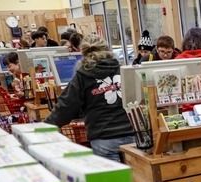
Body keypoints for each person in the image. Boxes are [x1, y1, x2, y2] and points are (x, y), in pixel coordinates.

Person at [45, 34, 134, 162]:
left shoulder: (82, 76)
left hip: (103, 138)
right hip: (133, 135)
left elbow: (65, 107)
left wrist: (47, 126)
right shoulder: (122, 70)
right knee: (137, 181)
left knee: (113, 181)